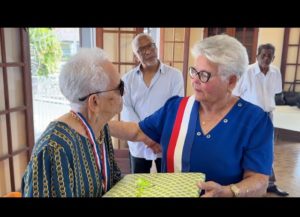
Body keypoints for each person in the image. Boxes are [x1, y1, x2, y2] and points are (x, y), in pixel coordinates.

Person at [109, 34, 274, 197]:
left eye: (204, 75)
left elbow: (259, 181)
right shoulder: (176, 108)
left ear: (231, 81)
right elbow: (136, 131)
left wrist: (229, 191)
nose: (194, 80)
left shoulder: (255, 121)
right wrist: (94, 123)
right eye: (194, 71)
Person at [22, 48, 123, 197]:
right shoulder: (54, 149)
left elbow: (112, 181)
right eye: (119, 88)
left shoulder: (100, 128)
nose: (123, 93)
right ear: (94, 102)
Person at [121, 33, 184, 174]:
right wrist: (144, 136)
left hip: (164, 141)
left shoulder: (175, 75)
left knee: (167, 185)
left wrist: (155, 138)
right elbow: (126, 109)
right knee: (137, 185)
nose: (148, 51)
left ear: (156, 47)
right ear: (135, 55)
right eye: (141, 49)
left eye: (150, 45)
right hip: (138, 143)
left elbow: (175, 108)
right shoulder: (127, 80)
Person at [233, 43, 289, 196]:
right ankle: (241, 182)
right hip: (248, 116)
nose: (266, 58)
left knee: (267, 150)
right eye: (263, 55)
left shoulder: (276, 72)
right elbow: (235, 94)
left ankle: (270, 183)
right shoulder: (247, 71)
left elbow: (276, 93)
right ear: (257, 55)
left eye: (269, 56)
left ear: (273, 57)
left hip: (267, 116)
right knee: (244, 148)